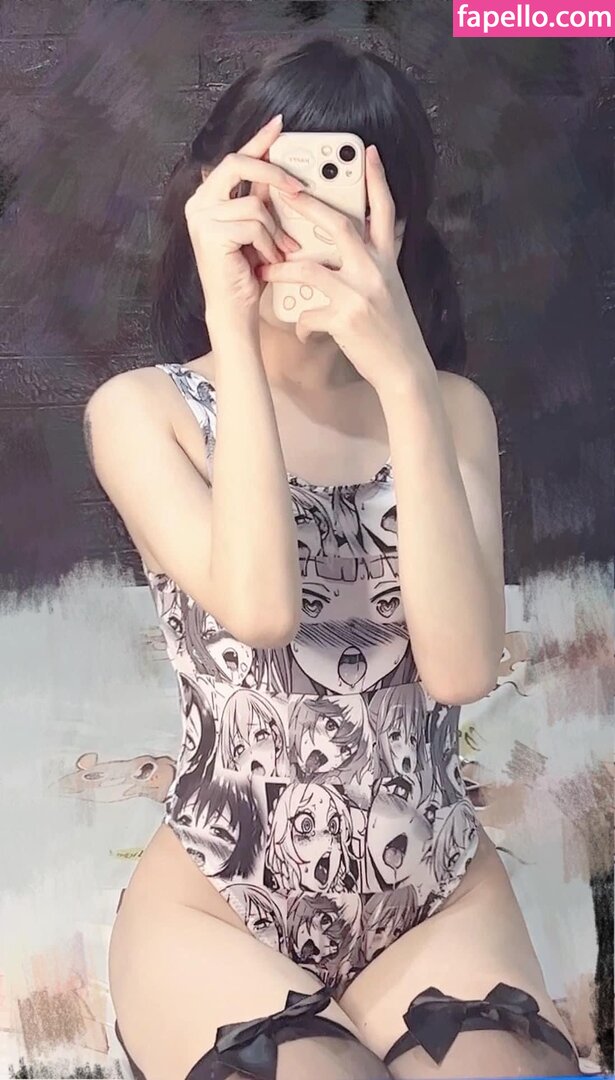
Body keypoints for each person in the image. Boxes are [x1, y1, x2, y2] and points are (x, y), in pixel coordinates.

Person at [84, 35, 581, 1080]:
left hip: (435, 895)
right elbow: (259, 608)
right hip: (219, 902)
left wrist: (401, 373)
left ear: (390, 217)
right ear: (219, 195)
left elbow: (460, 668)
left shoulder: (450, 410)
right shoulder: (142, 411)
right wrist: (234, 323)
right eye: (276, 187)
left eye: (334, 189)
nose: (300, 225)